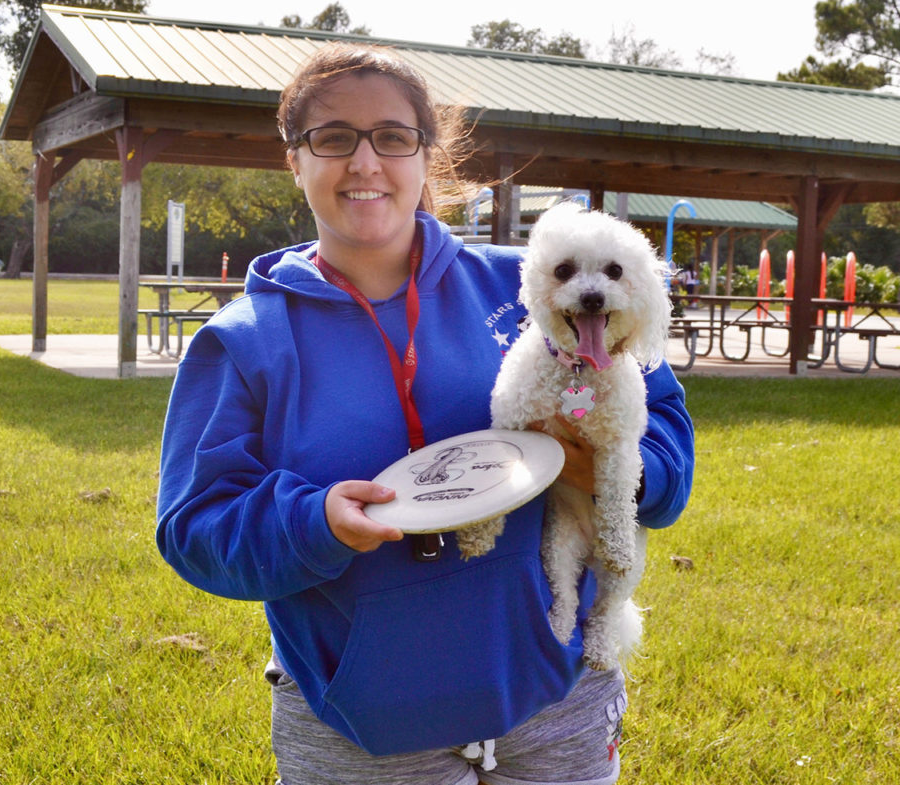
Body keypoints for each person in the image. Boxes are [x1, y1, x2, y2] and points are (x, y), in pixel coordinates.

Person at [156, 42, 694, 785]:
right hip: (364, 726)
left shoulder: (539, 285)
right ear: (295, 159)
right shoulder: (244, 340)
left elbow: (661, 416)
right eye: (333, 137)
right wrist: (315, 522)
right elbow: (194, 524)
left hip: (556, 694)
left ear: (424, 154)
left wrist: (609, 467)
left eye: (393, 137)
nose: (365, 161)